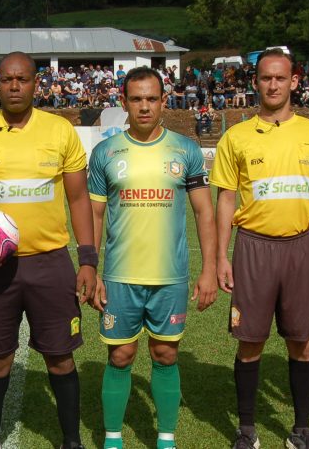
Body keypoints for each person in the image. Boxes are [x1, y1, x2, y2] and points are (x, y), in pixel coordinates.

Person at [0, 51, 98, 449]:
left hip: (51, 264)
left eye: (22, 79)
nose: (14, 86)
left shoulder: (60, 131)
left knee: (61, 357)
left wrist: (87, 260)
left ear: (36, 83)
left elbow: (79, 198)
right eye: (6, 79)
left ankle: (71, 441)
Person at [211, 49, 309, 449]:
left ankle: (301, 429)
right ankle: (247, 429)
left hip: (301, 247)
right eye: (266, 78)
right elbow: (225, 199)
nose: (273, 85)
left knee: (302, 341)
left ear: (294, 82)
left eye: (280, 78)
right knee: (250, 340)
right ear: (255, 82)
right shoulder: (236, 137)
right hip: (253, 248)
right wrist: (220, 256)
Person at [87, 66, 219, 449]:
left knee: (165, 354)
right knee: (120, 356)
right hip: (120, 276)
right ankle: (113, 439)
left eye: (151, 99)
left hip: (169, 277)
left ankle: (165, 439)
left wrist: (209, 269)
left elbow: (204, 213)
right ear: (124, 102)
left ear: (164, 101)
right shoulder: (106, 152)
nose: (144, 107)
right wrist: (91, 270)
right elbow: (94, 215)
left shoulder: (186, 150)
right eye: (136, 99)